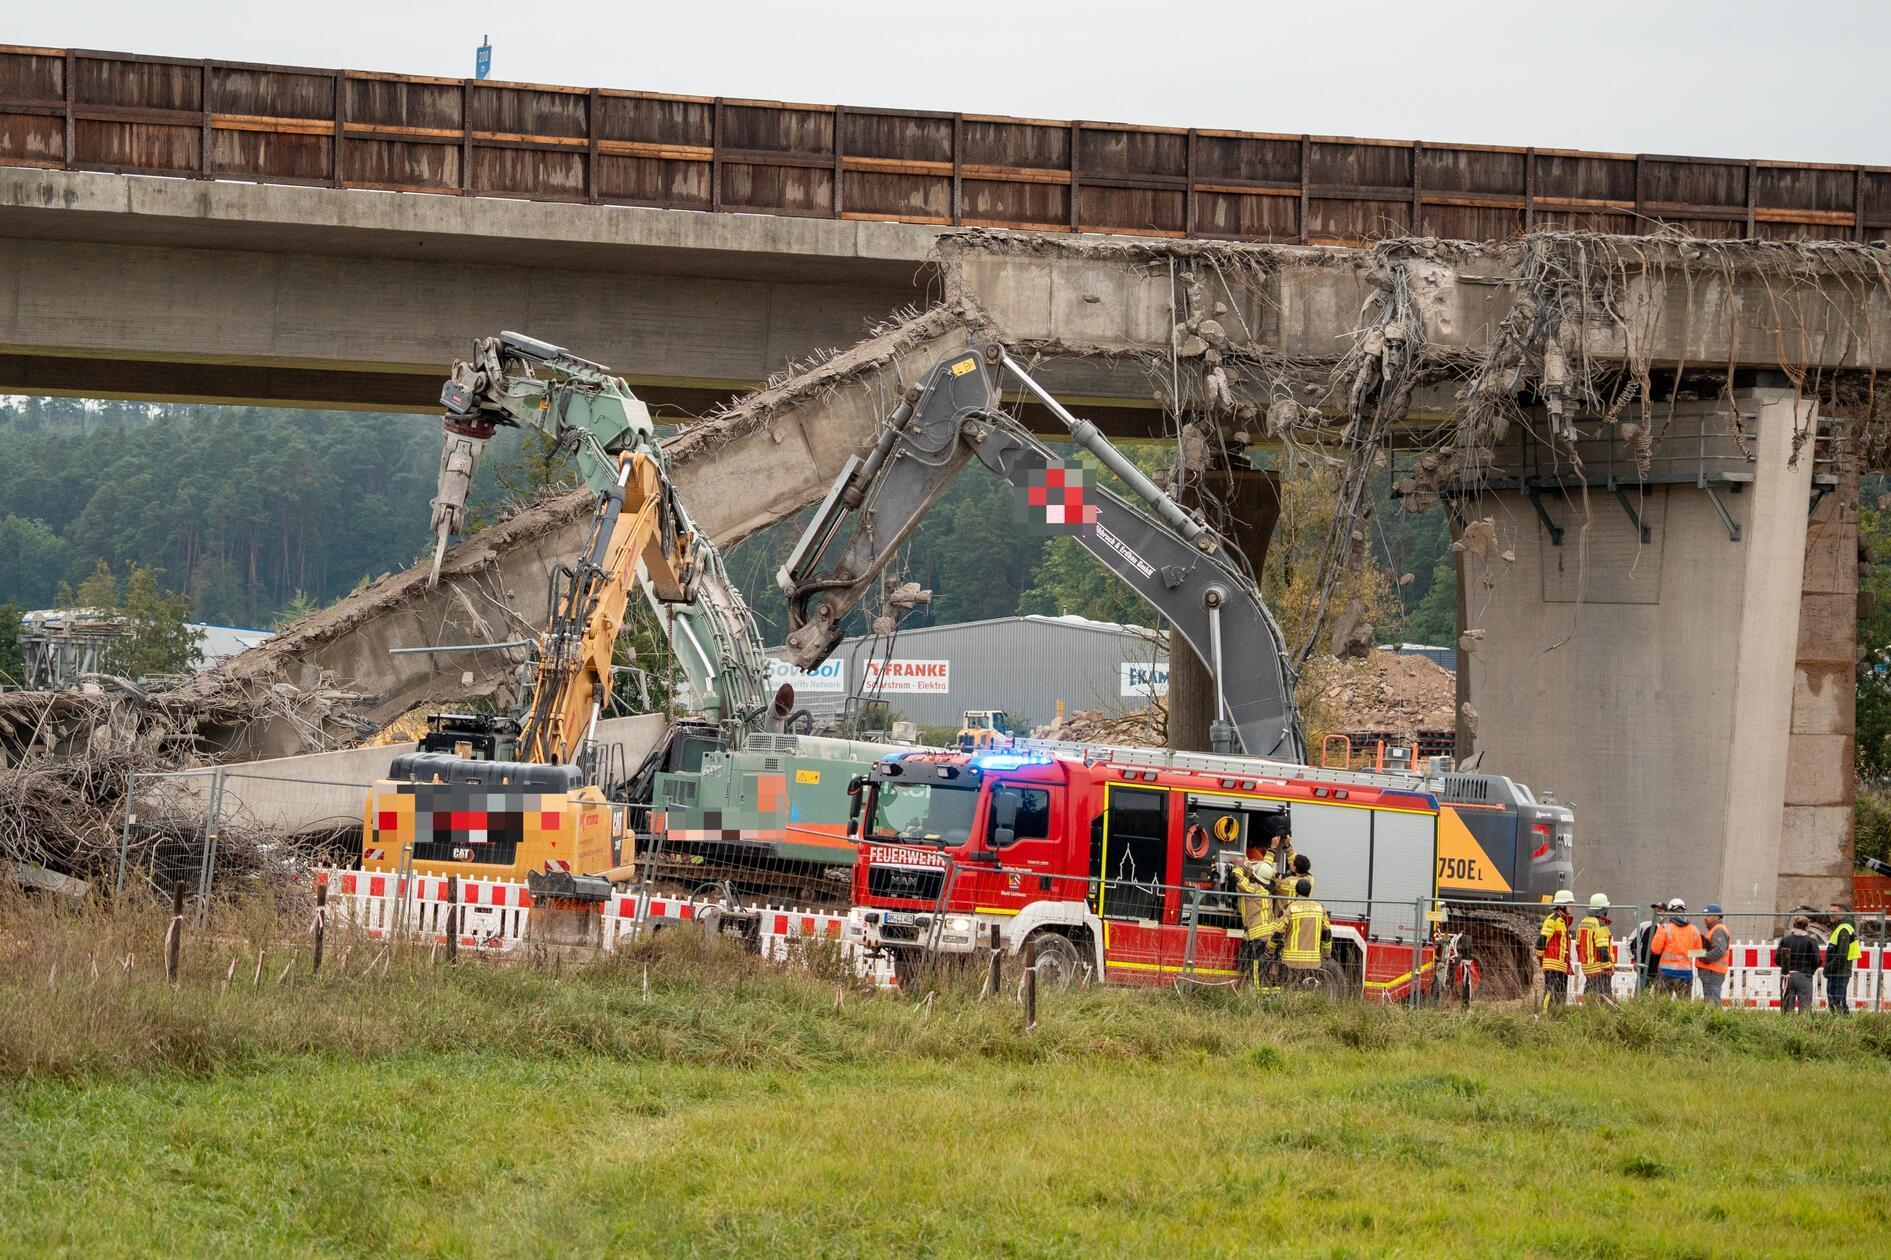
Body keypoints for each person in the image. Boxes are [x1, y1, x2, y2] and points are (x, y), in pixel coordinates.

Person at [1228, 849, 1281, 984]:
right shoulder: (1264, 889)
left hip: (1259, 940)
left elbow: (1235, 877)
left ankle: (1257, 998)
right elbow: (1265, 869)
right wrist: (1271, 851)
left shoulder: (1254, 889)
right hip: (1261, 938)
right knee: (1257, 973)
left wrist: (1244, 867)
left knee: (1257, 974)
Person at [1649, 899, 1703, 998]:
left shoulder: (1665, 928)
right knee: (1684, 1005)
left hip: (1666, 973)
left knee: (1662, 1004)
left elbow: (1655, 949)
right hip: (1686, 974)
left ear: (1671, 912)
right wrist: (1685, 954)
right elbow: (1699, 953)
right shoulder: (1694, 930)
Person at [1278, 878, 1332, 973]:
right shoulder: (1320, 908)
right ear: (1310, 892)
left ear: (1296, 890)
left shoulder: (1290, 908)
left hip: (1290, 962)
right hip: (1313, 962)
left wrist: (1268, 950)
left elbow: (1278, 932)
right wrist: (1327, 953)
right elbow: (1327, 933)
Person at [1536, 889, 1576, 1011]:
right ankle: (1545, 1013)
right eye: (1569, 904)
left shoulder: (1563, 921)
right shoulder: (1552, 920)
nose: (1572, 907)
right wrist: (1542, 959)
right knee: (1550, 992)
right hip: (1553, 964)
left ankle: (1558, 1014)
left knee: (1560, 994)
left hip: (1562, 965)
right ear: (1562, 905)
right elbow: (1542, 941)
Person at [1574, 892, 1616, 1007]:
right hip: (1599, 969)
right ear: (1603, 909)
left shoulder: (1583, 922)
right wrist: (1608, 967)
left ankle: (1588, 1015)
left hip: (1587, 968)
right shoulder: (1599, 924)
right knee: (1604, 1000)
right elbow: (1602, 949)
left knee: (1589, 997)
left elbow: (1578, 945)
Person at [1777, 914, 1821, 1014]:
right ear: (1807, 927)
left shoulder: (1785, 940)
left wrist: (1785, 968)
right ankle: (1803, 1027)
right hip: (1804, 975)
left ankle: (1786, 1026)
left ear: (1794, 926)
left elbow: (1777, 958)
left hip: (1787, 976)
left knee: (1787, 1007)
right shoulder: (1811, 941)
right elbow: (1818, 960)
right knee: (1805, 1007)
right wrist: (1810, 971)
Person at [1822, 904, 1859, 1016]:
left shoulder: (1843, 929)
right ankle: (1843, 1023)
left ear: (1842, 914)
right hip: (1838, 971)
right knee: (1837, 1000)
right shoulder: (1841, 927)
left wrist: (1828, 968)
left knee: (1837, 1001)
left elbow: (1842, 954)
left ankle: (1843, 1023)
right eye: (1830, 910)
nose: (1830, 913)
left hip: (1839, 972)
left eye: (1834, 911)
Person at [1697, 904, 1732, 1007]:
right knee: (1710, 1003)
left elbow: (1718, 951)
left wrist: (1703, 958)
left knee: (1713, 1003)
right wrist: (1693, 953)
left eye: (1708, 915)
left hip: (1712, 972)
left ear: (1717, 916)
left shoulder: (1718, 930)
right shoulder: (1715, 930)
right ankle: (1713, 1021)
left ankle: (1717, 1022)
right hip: (1711, 973)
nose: (1705, 918)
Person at [1631, 904, 1664, 996]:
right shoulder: (1645, 925)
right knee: (1640, 996)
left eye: (1660, 911)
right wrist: (1634, 960)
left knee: (1659, 999)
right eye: (1655, 911)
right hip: (1645, 969)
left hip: (1661, 972)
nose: (1657, 914)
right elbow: (1631, 942)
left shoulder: (1667, 928)